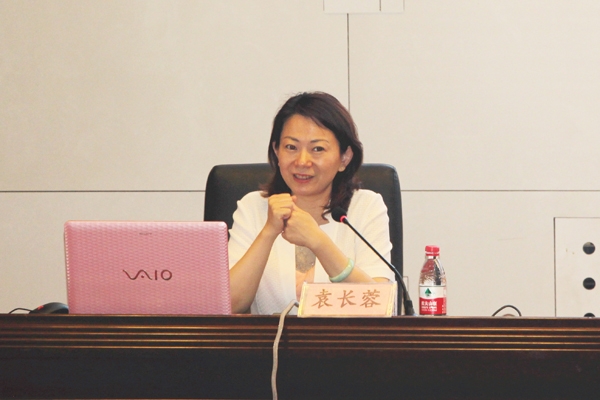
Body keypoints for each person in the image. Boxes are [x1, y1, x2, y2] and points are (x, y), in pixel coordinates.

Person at [228, 92, 394, 314]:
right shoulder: (253, 208)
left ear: (344, 157)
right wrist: (268, 231)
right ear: (276, 151)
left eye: (318, 149)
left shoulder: (366, 207)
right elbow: (229, 306)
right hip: (270, 338)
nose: (302, 161)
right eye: (291, 147)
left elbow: (379, 307)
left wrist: (319, 242)